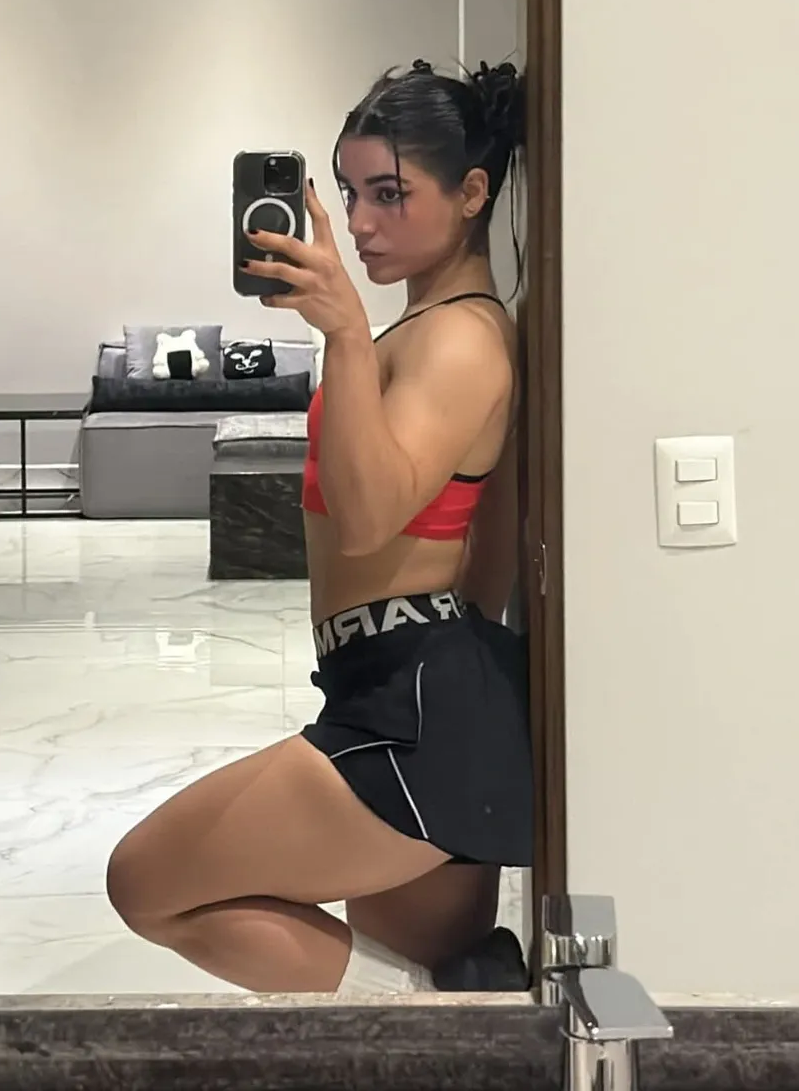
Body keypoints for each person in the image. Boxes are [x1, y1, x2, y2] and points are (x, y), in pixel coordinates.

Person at [106, 59, 533, 995]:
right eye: (349, 192)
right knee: (416, 1001)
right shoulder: (432, 330)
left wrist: (341, 334)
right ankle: (444, 1005)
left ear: (471, 194)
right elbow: (486, 545)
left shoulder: (461, 338)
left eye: (390, 193)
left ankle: (434, 1006)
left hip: (414, 705)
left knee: (144, 880)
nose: (361, 222)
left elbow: (371, 520)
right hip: (402, 687)